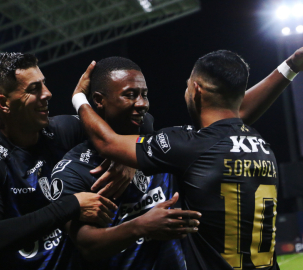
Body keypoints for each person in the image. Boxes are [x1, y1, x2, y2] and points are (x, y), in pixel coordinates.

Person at [71, 40, 303, 269]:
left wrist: (79, 99)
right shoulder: (260, 144)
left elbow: (107, 142)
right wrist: (291, 66)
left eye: (187, 86)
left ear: (195, 91)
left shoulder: (188, 146)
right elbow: (232, 115)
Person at [0, 53, 197, 270]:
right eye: (34, 89)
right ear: (3, 103)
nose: (47, 93)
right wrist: (71, 205)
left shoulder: (61, 130)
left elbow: (135, 119)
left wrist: (128, 157)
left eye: (44, 83)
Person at [51, 57, 200, 269]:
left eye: (144, 95)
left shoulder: (161, 147)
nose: (142, 104)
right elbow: (87, 245)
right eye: (130, 95)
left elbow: (226, 122)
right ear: (99, 100)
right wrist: (141, 226)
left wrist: (132, 158)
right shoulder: (73, 170)